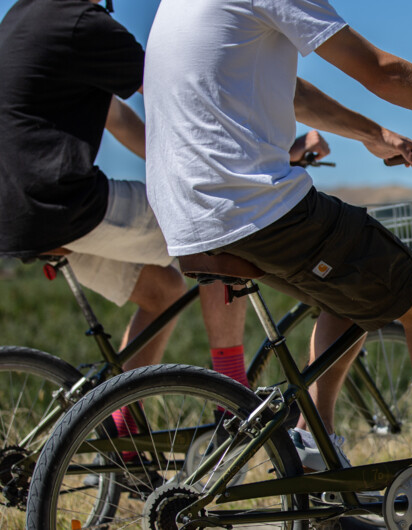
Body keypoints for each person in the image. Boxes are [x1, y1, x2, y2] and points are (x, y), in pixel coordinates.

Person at [143, 1, 412, 527]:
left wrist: (373, 134)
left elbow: (288, 92)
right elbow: (381, 70)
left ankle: (312, 444)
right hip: (253, 206)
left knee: (350, 296)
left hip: (188, 215)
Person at [0, 0, 254, 437]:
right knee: (220, 229)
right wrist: (247, 153)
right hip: (60, 204)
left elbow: (118, 119)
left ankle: (122, 427)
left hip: (17, 215)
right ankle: (233, 399)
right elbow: (176, 90)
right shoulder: (83, 23)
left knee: (164, 291)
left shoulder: (22, 18)